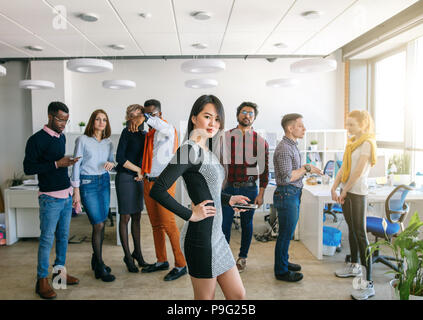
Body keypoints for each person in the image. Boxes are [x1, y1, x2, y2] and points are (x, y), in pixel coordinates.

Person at [150, 95, 251, 299]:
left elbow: (208, 190)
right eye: (207, 116)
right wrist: (190, 214)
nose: (213, 123)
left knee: (238, 295)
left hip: (217, 236)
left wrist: (228, 200)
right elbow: (158, 189)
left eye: (217, 118)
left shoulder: (207, 149)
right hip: (200, 238)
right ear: (194, 118)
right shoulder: (188, 149)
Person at [23, 101, 80, 299]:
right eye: (60, 119)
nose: (64, 123)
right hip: (49, 198)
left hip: (65, 195)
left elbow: (56, 163)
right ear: (50, 117)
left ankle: (59, 275)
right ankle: (41, 281)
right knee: (47, 239)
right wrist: (57, 164)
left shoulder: (61, 137)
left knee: (63, 238)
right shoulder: (36, 140)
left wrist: (66, 163)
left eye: (66, 120)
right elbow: (29, 168)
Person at [128, 99, 187, 281]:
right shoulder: (150, 134)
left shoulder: (168, 129)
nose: (146, 118)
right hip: (148, 181)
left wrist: (145, 116)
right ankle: (162, 260)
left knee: (169, 224)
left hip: (163, 184)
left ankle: (181, 264)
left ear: (159, 114)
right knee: (156, 225)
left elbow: (157, 123)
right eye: (144, 114)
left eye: (150, 114)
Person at [332, 110, 377, 300]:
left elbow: (358, 171)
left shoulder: (367, 143)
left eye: (351, 124)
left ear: (363, 125)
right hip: (346, 190)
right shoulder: (351, 144)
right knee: (351, 229)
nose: (347, 127)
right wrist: (334, 186)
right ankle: (354, 266)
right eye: (347, 124)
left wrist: (345, 190)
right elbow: (344, 167)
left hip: (357, 192)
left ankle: (369, 284)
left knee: (360, 234)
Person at [273, 113, 321, 282]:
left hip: (292, 194)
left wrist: (303, 169)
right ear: (290, 128)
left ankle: (284, 262)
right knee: (285, 234)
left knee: (287, 233)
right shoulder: (285, 148)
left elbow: (294, 173)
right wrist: (306, 168)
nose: (304, 129)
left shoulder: (292, 145)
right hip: (287, 194)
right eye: (300, 126)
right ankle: (281, 271)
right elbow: (286, 177)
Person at [222, 102, 269, 272]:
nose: (247, 115)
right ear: (237, 115)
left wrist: (261, 193)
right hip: (227, 189)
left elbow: (264, 171)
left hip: (249, 189)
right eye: (243, 112)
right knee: (224, 224)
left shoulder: (260, 141)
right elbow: (219, 165)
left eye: (250, 113)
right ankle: (225, 258)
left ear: (254, 118)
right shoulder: (225, 138)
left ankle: (242, 258)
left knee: (247, 225)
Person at [71, 109, 116, 282]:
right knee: (97, 224)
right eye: (98, 119)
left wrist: (110, 164)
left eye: (104, 119)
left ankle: (96, 259)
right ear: (92, 121)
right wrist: (76, 190)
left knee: (102, 222)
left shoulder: (108, 142)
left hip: (103, 182)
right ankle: (99, 265)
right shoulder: (82, 140)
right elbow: (76, 164)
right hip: (87, 183)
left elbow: (112, 161)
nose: (101, 122)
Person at [115, 104, 151, 273]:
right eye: (131, 114)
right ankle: (127, 256)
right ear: (128, 118)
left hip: (139, 179)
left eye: (138, 114)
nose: (134, 117)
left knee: (137, 216)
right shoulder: (126, 132)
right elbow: (120, 158)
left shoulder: (146, 135)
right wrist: (138, 170)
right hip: (125, 177)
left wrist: (142, 172)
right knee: (126, 217)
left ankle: (138, 253)